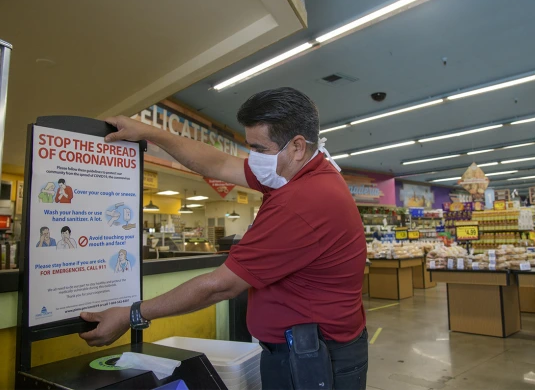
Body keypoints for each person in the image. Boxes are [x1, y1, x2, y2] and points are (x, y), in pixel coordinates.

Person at [79, 87, 368, 389]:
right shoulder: (295, 171)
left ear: (297, 146)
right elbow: (216, 164)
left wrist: (131, 314)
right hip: (305, 347)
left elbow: (219, 287)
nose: (252, 158)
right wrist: (151, 133)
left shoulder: (301, 201)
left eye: (259, 149)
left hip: (317, 359)